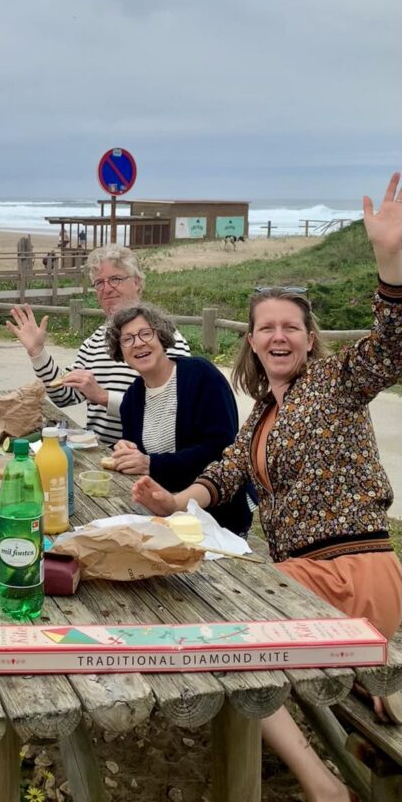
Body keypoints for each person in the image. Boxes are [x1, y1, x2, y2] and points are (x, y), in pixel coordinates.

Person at [132, 173, 402, 802]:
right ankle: (368, 690)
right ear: (250, 340)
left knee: (221, 640)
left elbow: (392, 348)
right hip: (307, 577)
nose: (278, 336)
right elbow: (227, 469)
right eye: (265, 327)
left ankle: (319, 782)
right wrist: (176, 502)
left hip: (351, 571)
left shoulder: (335, 384)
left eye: (291, 327)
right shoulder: (261, 412)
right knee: (219, 606)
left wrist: (390, 267)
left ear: (310, 340)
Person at [6, 246, 190, 446]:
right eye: (99, 283)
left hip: (146, 463)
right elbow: (65, 397)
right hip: (98, 458)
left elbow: (172, 413)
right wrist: (38, 353)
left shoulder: (166, 340)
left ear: (137, 282)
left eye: (116, 279)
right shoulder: (94, 342)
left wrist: (103, 397)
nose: (107, 289)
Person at [104, 303, 251, 536]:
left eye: (145, 333)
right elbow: (138, 454)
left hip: (216, 522)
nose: (139, 343)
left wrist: (151, 463)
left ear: (161, 336)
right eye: (128, 339)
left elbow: (220, 450)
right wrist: (125, 449)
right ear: (120, 351)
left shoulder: (200, 375)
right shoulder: (132, 397)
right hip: (161, 518)